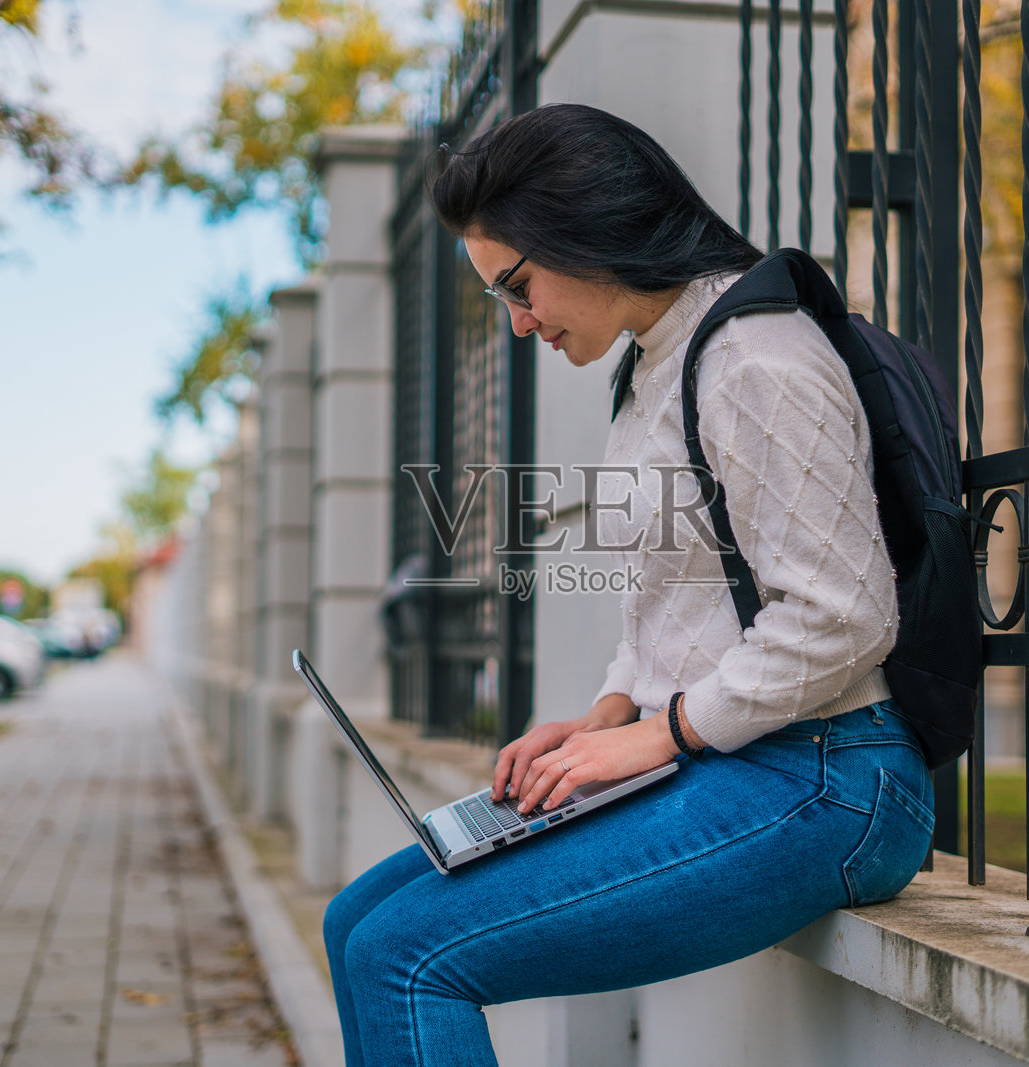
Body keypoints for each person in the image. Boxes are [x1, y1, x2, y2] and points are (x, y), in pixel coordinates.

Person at [322, 103, 935, 1067]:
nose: (520, 323)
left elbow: (843, 617)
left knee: (404, 956)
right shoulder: (659, 361)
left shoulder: (755, 359)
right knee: (355, 921)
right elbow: (677, 590)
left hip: (829, 776)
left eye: (518, 286)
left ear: (588, 228)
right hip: (737, 759)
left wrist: (662, 732)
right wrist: (609, 712)